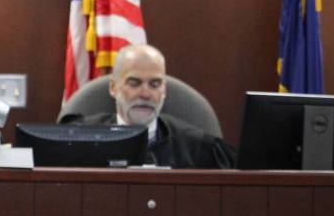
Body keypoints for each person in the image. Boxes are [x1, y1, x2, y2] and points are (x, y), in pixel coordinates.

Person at [60, 44, 236, 169]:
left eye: (154, 84)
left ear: (164, 90)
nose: (145, 94)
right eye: (134, 83)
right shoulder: (78, 139)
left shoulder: (198, 148)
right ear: (114, 88)